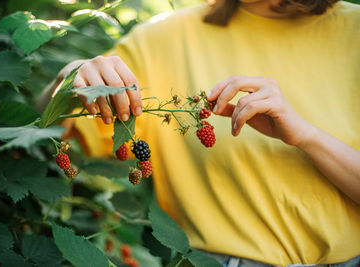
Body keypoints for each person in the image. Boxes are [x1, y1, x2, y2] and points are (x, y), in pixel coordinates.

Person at [38, 0, 360, 265]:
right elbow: (47, 132)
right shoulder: (161, 39)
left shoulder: (354, 32)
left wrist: (305, 136)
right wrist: (70, 78)